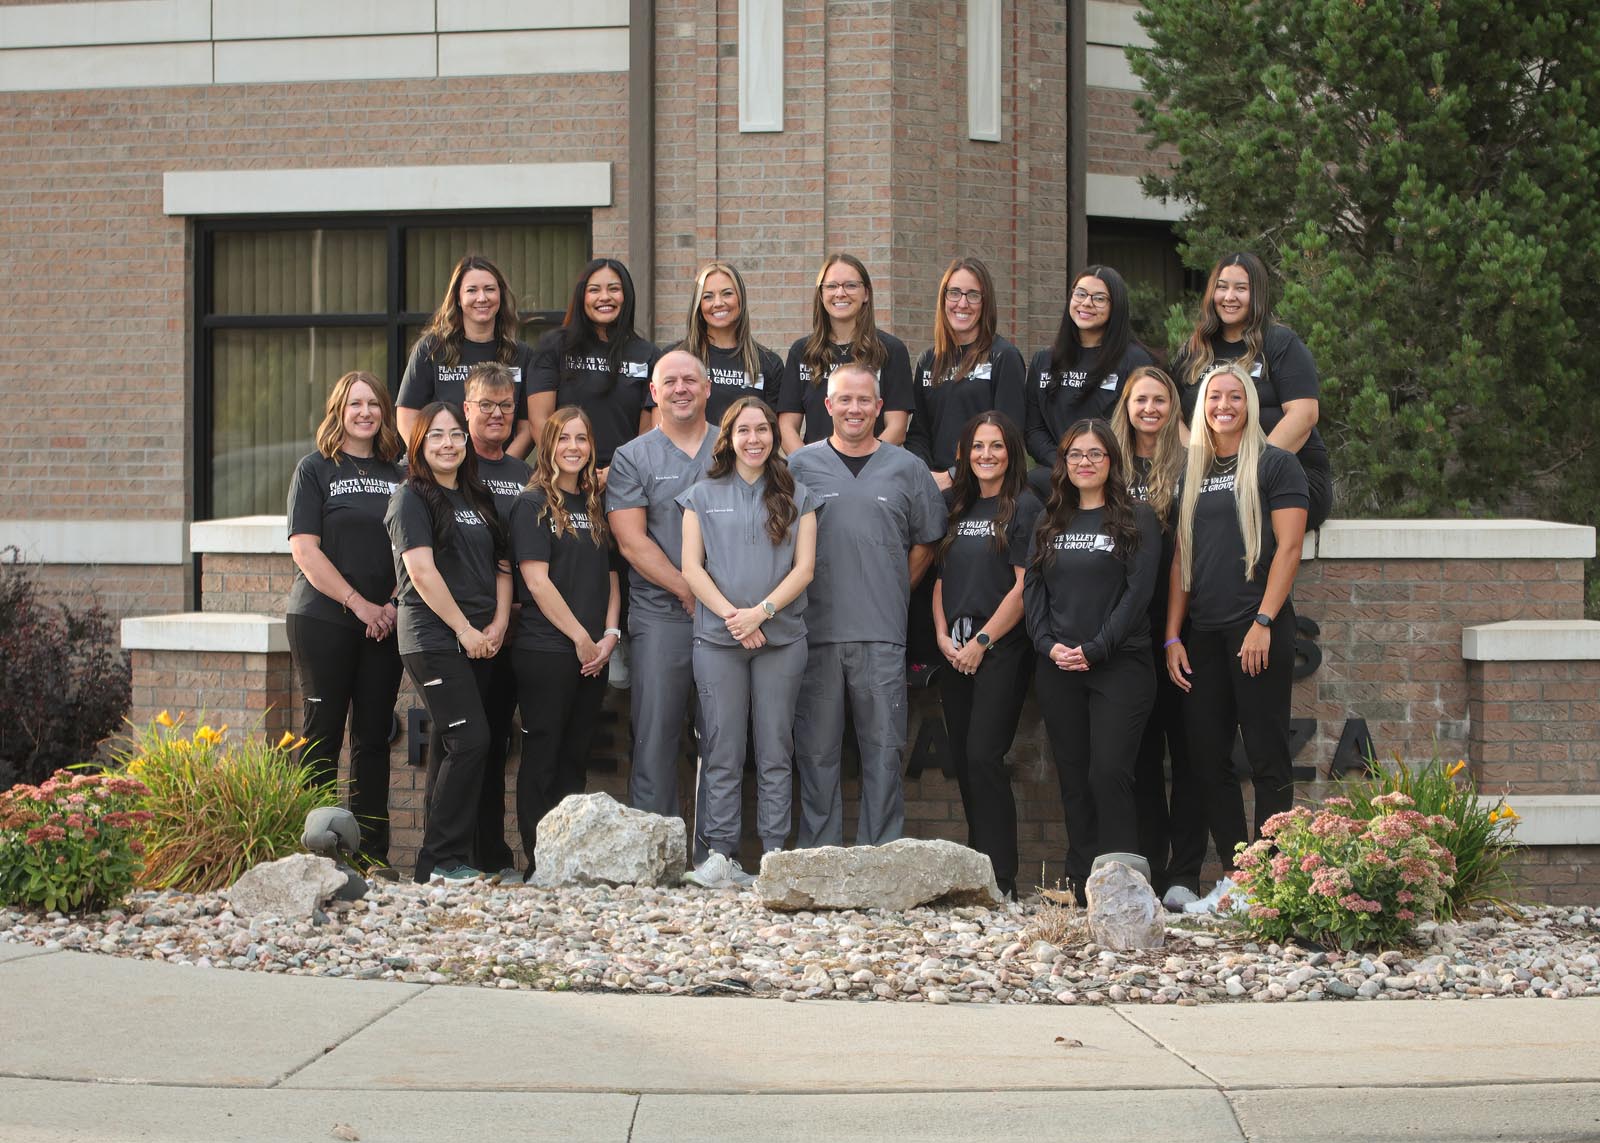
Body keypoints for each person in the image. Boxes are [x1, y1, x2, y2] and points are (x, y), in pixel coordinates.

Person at [787, 363, 946, 846]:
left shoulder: (907, 468)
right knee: (816, 752)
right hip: (813, 631)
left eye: (865, 401)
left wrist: (898, 584)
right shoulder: (799, 467)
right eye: (844, 400)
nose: (854, 409)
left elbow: (927, 540)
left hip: (881, 630)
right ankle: (821, 855)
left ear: (880, 407)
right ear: (827, 406)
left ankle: (881, 854)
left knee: (883, 750)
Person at [1165, 361, 1309, 883]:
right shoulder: (1192, 471)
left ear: (1249, 402)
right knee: (1207, 760)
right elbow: (1182, 558)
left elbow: (1290, 548)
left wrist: (1264, 620)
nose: (1223, 406)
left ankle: (1272, 881)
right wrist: (1173, 634)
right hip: (1200, 634)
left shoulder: (1276, 465)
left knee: (1268, 757)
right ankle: (1237, 874)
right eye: (1213, 397)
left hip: (1257, 630)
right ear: (1201, 406)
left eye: (1234, 396)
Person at [678, 397, 820, 886]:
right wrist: (733, 617)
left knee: (776, 747)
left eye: (763, 429)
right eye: (744, 430)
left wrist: (762, 612)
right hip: (718, 641)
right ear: (729, 437)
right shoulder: (701, 494)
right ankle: (721, 855)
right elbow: (691, 568)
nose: (755, 438)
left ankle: (775, 856)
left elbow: (805, 568)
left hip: (780, 639)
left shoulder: (799, 494)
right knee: (722, 747)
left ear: (773, 437)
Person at [1025, 418, 1160, 904]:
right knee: (1075, 774)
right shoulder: (1050, 521)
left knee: (1110, 771)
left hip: (1119, 666)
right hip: (1059, 666)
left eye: (1095, 455)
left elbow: (1137, 593)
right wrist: (1046, 644)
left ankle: (1122, 883)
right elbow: (1033, 590)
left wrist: (1097, 647)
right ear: (1063, 464)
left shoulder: (1135, 517)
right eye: (1075, 455)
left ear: (1111, 462)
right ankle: (1080, 882)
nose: (1085, 463)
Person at [385, 401, 512, 884]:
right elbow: (420, 572)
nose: (447, 443)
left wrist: (498, 624)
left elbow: (503, 566)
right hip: (434, 637)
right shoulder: (410, 499)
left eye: (456, 435)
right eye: (436, 435)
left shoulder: (477, 496)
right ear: (419, 443)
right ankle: (442, 859)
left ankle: (433, 867)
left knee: (449, 744)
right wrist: (463, 630)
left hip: (481, 639)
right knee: (471, 739)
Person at [285, 371, 405, 869]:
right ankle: (316, 852)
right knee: (323, 734)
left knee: (373, 739)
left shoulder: (401, 475)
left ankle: (371, 855)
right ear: (339, 411)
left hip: (387, 624)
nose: (364, 413)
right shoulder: (315, 469)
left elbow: (414, 549)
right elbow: (304, 551)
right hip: (325, 621)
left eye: (373, 404)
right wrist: (360, 605)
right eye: (354, 404)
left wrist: (393, 606)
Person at [930, 411, 1040, 899]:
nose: (986, 455)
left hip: (999, 651)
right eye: (977, 446)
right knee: (963, 758)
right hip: (954, 649)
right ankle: (977, 870)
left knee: (984, 756)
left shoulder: (1024, 508)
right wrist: (940, 636)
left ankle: (1002, 877)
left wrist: (982, 644)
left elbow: (1022, 588)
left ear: (1011, 452)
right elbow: (938, 579)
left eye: (996, 446)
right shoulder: (956, 505)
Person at [509, 407, 619, 878]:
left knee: (576, 759)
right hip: (547, 653)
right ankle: (539, 861)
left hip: (594, 655)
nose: (573, 447)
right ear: (547, 445)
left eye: (582, 438)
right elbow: (536, 582)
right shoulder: (531, 503)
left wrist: (609, 635)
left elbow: (612, 576)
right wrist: (579, 637)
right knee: (544, 758)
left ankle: (567, 858)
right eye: (563, 439)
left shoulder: (595, 504)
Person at [606, 350, 716, 819]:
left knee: (723, 738)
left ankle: (717, 853)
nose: (680, 389)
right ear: (654, 393)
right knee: (654, 735)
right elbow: (632, 543)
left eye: (690, 379)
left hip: (730, 615)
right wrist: (688, 589)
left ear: (707, 388)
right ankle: (656, 848)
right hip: (660, 613)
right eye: (669, 381)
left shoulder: (733, 447)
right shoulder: (632, 457)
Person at [1111, 365, 1203, 909]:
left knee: (1188, 752)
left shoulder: (1191, 464)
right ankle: (1148, 862)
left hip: (1183, 627)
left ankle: (1184, 871)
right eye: (1140, 399)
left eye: (1160, 400)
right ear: (1125, 405)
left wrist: (1174, 631)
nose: (1149, 409)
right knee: (1140, 756)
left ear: (1174, 408)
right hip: (1127, 629)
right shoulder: (1110, 464)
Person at [1170, 252, 1331, 529]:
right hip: (1212, 478)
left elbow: (1304, 414)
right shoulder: (1194, 350)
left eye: (1240, 288)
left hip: (1286, 477)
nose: (1229, 296)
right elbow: (1171, 414)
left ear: (1257, 293)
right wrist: (1196, 460)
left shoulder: (1281, 343)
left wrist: (1250, 474)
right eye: (1222, 287)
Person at [454, 362, 533, 882]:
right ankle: (454, 852)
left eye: (506, 406)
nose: (497, 414)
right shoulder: (452, 469)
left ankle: (492, 851)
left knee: (499, 742)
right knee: (462, 740)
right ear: (467, 410)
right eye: (487, 405)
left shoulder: (525, 476)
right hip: (461, 631)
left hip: (517, 629)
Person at [1024, 265, 1153, 498]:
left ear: (1116, 307)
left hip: (1113, 478)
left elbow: (1143, 427)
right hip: (1056, 476)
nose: (1086, 303)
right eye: (1080, 294)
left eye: (1099, 298)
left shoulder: (1134, 361)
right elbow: (1034, 430)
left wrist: (1094, 464)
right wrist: (1068, 465)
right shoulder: (1043, 360)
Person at [528, 258, 661, 478]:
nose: (605, 297)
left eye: (614, 289)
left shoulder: (648, 355)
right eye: (594, 290)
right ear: (582, 297)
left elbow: (648, 433)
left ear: (626, 296)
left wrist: (615, 474)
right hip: (562, 477)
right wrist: (573, 471)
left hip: (623, 481)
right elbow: (539, 421)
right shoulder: (554, 347)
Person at [905, 257, 1028, 490]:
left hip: (984, 489)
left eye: (973, 295)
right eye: (954, 293)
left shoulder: (1004, 357)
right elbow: (918, 433)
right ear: (943, 299)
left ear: (985, 302)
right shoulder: (929, 360)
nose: (962, 303)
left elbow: (1010, 435)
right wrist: (926, 475)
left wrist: (953, 476)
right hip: (935, 488)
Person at [397, 254, 535, 458]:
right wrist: (432, 460)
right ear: (458, 299)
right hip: (442, 468)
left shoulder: (521, 355)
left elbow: (527, 427)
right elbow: (407, 416)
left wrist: (503, 469)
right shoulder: (432, 349)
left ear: (501, 296)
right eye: (472, 290)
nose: (482, 298)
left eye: (489, 289)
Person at [777, 254, 914, 454]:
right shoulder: (802, 351)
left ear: (866, 293)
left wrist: (862, 467)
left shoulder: (891, 350)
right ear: (821, 294)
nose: (840, 293)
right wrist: (810, 466)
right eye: (831, 286)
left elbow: (897, 428)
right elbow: (787, 427)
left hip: (872, 474)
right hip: (815, 476)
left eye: (850, 285)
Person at [674, 261, 785, 426]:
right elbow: (662, 425)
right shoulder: (676, 358)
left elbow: (773, 432)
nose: (718, 303)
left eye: (727, 293)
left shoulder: (769, 363)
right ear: (698, 305)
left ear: (740, 299)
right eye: (708, 296)